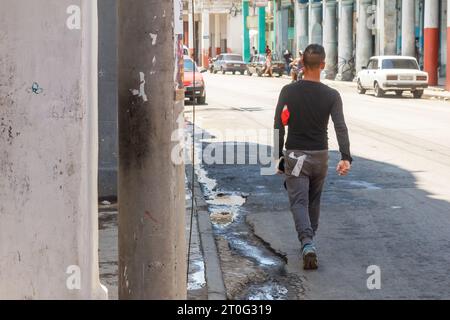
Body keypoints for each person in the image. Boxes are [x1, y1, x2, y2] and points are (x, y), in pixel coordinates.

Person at [274, 44, 352, 270]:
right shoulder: (332, 95)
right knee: (314, 200)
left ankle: (307, 242)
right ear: (323, 65)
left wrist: (278, 155)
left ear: (301, 64)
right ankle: (309, 240)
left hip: (296, 155)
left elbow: (279, 124)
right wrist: (345, 156)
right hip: (321, 156)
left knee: (299, 201)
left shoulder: (288, 91)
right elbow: (340, 126)